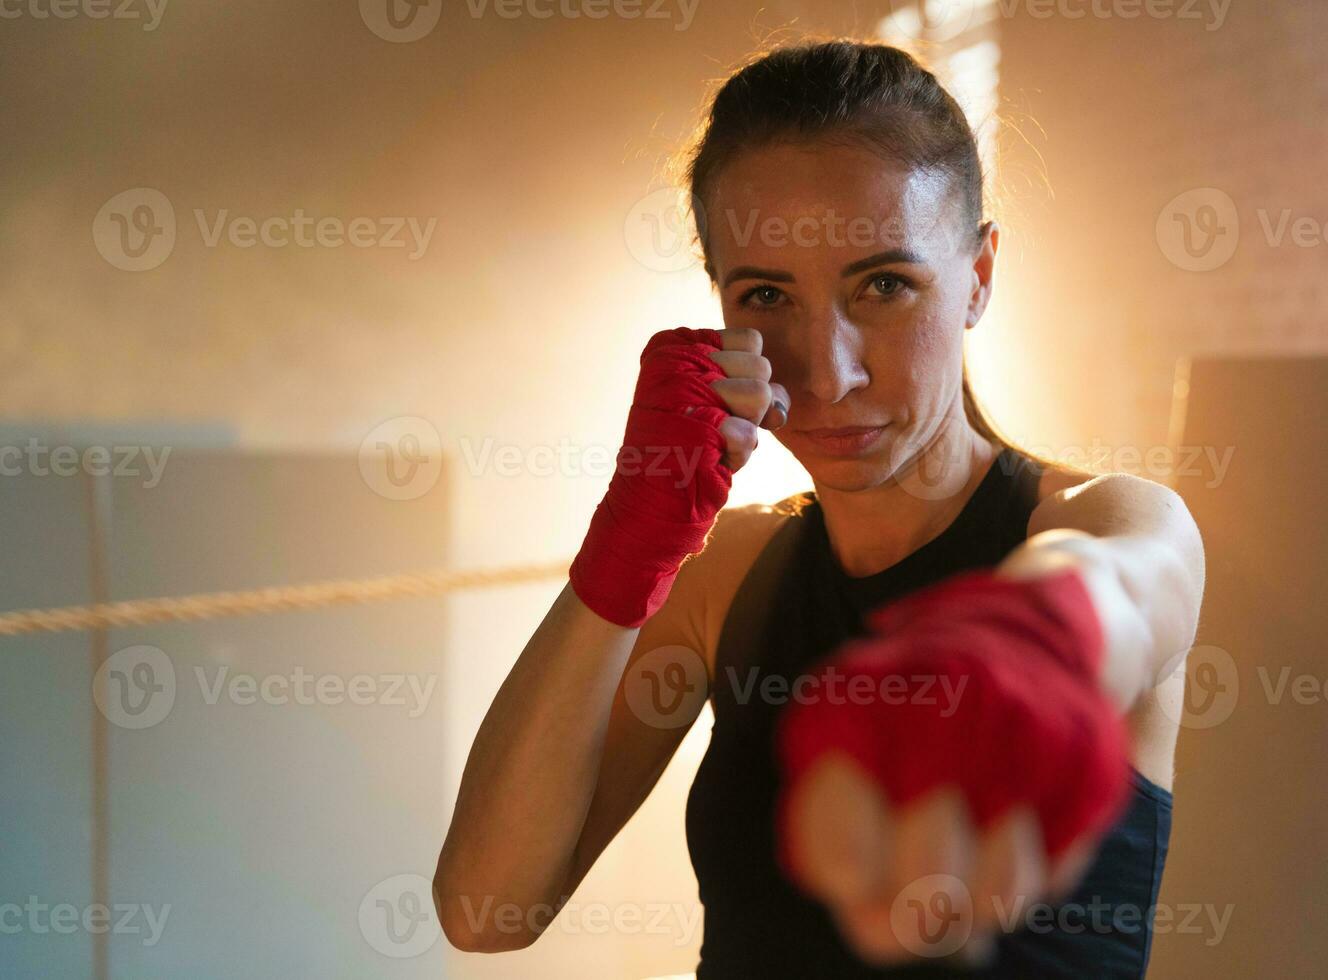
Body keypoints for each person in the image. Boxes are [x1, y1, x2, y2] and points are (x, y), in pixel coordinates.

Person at [433, 38, 1205, 978]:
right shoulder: (726, 576)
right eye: (766, 296)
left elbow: (1119, 590)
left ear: (980, 276)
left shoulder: (1106, 519)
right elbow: (487, 909)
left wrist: (1026, 645)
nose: (828, 372)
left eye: (884, 284)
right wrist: (625, 549)